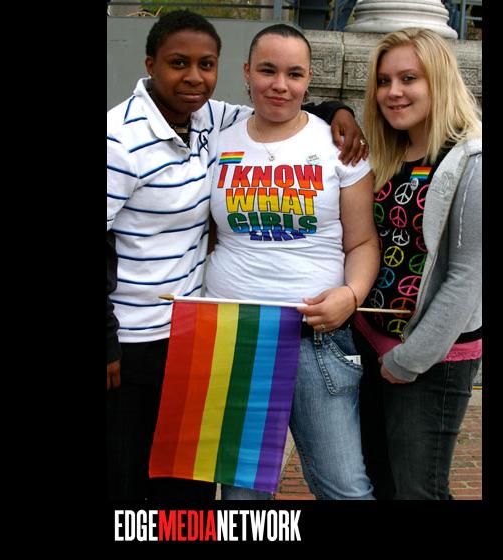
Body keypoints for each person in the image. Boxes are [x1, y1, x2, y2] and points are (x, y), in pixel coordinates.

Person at [106, 10, 369, 501]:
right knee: (156, 477)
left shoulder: (210, 119)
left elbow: (284, 104)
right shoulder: (129, 137)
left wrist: (339, 109)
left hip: (246, 330)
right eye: (178, 63)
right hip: (175, 337)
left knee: (335, 485)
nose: (193, 77)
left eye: (205, 65)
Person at [205, 23, 379, 500]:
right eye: (268, 70)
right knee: (243, 498)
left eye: (294, 74)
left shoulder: (339, 147)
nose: (280, 85)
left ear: (308, 80)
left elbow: (363, 242)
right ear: (247, 72)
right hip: (234, 336)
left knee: (344, 487)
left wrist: (351, 295)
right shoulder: (217, 142)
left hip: (315, 337)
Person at [352, 28, 482, 500]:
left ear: (439, 80)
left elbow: (468, 277)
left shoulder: (471, 160)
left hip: (431, 358)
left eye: (409, 78)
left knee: (419, 491)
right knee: (379, 482)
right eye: (383, 81)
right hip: (371, 342)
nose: (393, 92)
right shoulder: (390, 151)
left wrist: (409, 360)